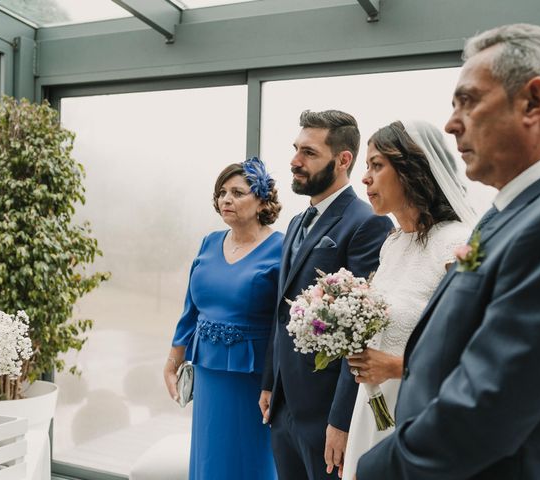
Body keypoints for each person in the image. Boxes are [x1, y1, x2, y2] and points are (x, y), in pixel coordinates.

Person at [355, 23, 540, 480]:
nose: (450, 123)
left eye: (469, 100)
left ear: (533, 103)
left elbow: (490, 404)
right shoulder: (513, 213)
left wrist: (378, 468)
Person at [259, 110, 393, 480]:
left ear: (343, 159)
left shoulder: (367, 223)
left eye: (309, 153)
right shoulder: (295, 222)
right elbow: (282, 310)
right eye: (295, 149)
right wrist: (271, 381)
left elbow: (365, 330)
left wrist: (341, 419)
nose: (295, 161)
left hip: (326, 414)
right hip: (284, 406)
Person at [341, 119, 477, 479]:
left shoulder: (456, 243)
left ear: (411, 171)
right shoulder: (392, 244)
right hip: (371, 410)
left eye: (376, 165)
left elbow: (474, 352)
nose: (365, 178)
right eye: (365, 167)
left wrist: (397, 367)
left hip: (421, 416)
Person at [164, 157, 283, 480]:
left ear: (261, 200)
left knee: (249, 460)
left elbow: (283, 321)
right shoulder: (209, 242)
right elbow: (191, 307)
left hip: (254, 378)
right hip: (208, 373)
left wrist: (276, 382)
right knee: (210, 457)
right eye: (222, 193)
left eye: (237, 192)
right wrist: (174, 358)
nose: (226, 200)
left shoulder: (282, 248)